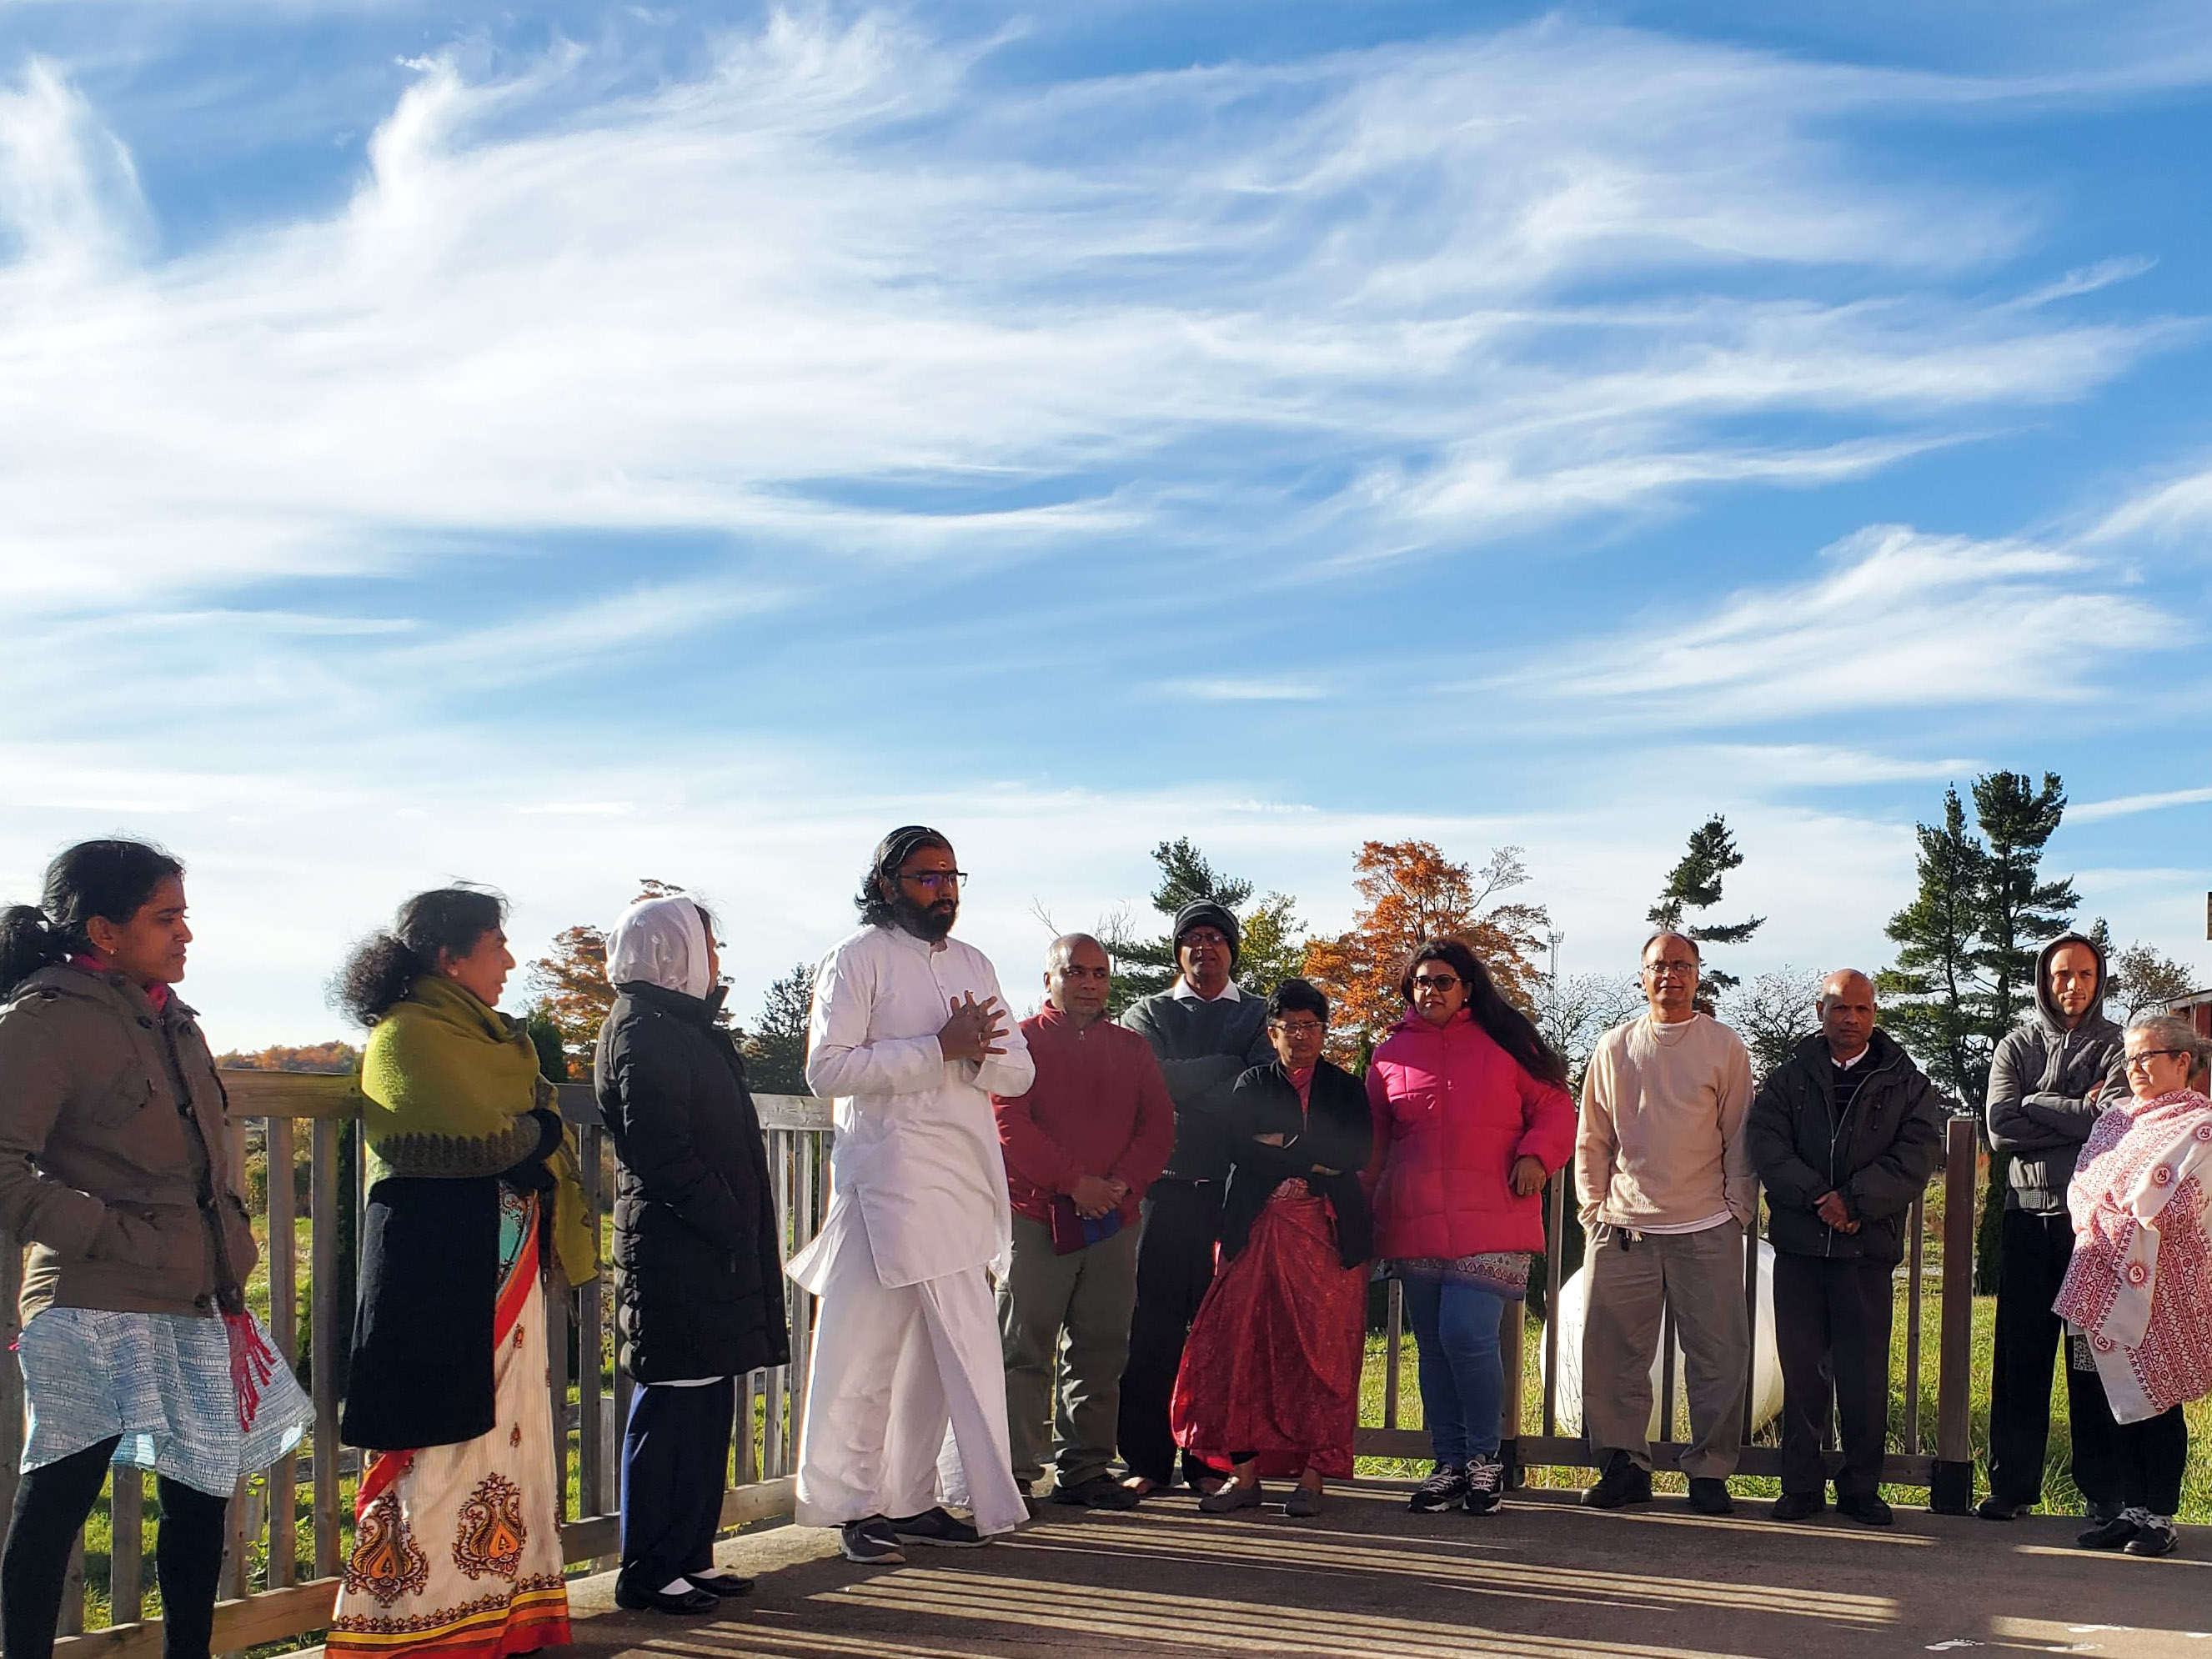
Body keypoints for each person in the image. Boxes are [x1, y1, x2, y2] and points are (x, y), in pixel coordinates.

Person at [0, 840, 313, 1659]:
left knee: (200, 1496)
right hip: (90, 1299)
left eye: (184, 914)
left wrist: (229, 1252)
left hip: (196, 1295)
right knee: (59, 1499)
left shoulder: (175, 1021)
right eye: (165, 916)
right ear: (103, 929)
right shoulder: (44, 1020)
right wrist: (106, 1231)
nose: (186, 934)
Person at [328, 888, 596, 1659]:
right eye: (496, 944)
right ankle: (411, 1629)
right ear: (451, 957)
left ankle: (499, 1615)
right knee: (438, 1448)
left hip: (501, 1267)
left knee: (508, 1442)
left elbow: (515, 1134)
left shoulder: (490, 1038)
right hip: (438, 1272)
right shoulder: (408, 1035)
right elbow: (471, 1144)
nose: (509, 960)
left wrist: (531, 1133)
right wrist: (540, 1129)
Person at [790, 828, 1036, 1565]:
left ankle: (916, 1497)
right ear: (889, 882)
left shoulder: (974, 962)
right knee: (862, 1356)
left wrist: (977, 1052)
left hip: (960, 1184)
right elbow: (826, 1071)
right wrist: (939, 1050)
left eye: (954, 876)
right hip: (885, 1187)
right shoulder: (855, 957)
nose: (946, 890)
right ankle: (853, 1509)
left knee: (943, 1356)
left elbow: (1018, 1073)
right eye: (928, 877)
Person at [594, 895, 790, 1614]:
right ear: (671, 949)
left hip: (705, 1251)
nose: (716, 958)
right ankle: (648, 1568)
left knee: (705, 1406)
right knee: (671, 1409)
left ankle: (689, 1555)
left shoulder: (677, 1025)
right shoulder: (641, 1030)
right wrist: (729, 1216)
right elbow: (660, 1152)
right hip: (676, 1250)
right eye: (707, 943)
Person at [1365, 939, 1574, 1516]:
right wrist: (1361, 1210)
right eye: (1421, 982)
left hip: (1495, 1215)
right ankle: (1449, 1463)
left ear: (1467, 988)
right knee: (1431, 1347)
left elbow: (1556, 1107)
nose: (1430, 991)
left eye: (1443, 981)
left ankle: (1485, 1460)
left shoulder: (1509, 1042)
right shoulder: (1387, 1055)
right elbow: (1375, 1143)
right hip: (1414, 1218)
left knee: (1467, 1335)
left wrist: (1536, 1155)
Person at [1745, 970, 1944, 1526]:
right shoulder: (1788, 1078)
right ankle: (1800, 1488)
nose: (1849, 1019)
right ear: (1820, 1011)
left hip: (1865, 1252)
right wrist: (1818, 1199)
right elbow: (1766, 1142)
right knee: (1801, 1375)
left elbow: (1916, 1155)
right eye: (1838, 1008)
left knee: (1862, 1377)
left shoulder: (1906, 1082)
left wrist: (1854, 1202)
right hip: (1800, 1251)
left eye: (1860, 1009)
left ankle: (1860, 1489)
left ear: (1873, 1015)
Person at [1170, 978, 1372, 1518]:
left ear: (1325, 1032)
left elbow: (1354, 1151)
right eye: (1289, 1028)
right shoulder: (1252, 1083)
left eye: (1311, 1027)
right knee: (1237, 1348)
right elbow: (1237, 1146)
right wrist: (1312, 1155)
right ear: (1272, 1032)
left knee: (1321, 1354)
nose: (1300, 1037)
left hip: (1326, 1236)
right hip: (1252, 1228)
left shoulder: (1345, 1088)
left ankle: (1313, 1477)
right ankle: (1243, 1475)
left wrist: (1282, 1145)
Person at [1574, 930, 1755, 1516]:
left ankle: (1708, 1472)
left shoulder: (1723, 1046)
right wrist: (1593, 1209)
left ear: (1698, 975)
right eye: (1658, 966)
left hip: (1705, 1223)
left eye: (1681, 966)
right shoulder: (1613, 1046)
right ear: (1641, 976)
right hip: (1623, 1225)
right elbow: (1592, 1136)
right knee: (1612, 1357)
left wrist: (1736, 1211)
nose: (1669, 976)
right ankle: (1624, 1466)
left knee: (1718, 1356)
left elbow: (1740, 1137)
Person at [992, 935, 1174, 1510]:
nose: (1089, 984)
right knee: (1023, 1348)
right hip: (1035, 1218)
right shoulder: (1018, 1043)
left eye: (1099, 973)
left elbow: (1158, 1127)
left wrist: (1117, 1186)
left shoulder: (1132, 1049)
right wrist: (1075, 1183)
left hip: (1112, 1223)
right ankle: (1013, 1475)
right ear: (1049, 978)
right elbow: (1007, 1121)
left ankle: (1085, 1470)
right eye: (1075, 972)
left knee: (1100, 1347)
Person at [1116, 900, 1273, 1497]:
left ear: (1233, 950)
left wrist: (1187, 1084)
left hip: (1232, 1194)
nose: (1204, 947)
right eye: (1192, 938)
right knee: (1150, 1331)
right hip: (1159, 1191)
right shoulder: (1147, 1011)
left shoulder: (1260, 1014)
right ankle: (1147, 1463)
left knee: (1220, 1336)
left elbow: (1260, 1096)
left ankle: (1210, 1464)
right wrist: (1225, 1068)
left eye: (1215, 938)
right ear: (1176, 949)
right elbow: (1146, 1083)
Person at [1980, 932, 2129, 1523]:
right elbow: (1998, 1128)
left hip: (2092, 1226)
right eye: (2061, 974)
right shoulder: (2015, 1043)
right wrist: (2074, 1109)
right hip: (2026, 1219)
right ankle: (2010, 1488)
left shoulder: (2116, 1045)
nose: (2072, 985)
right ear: (2043, 979)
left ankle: (2103, 1489)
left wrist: (2036, 1103)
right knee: (2020, 1358)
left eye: (2084, 974)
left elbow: (2111, 1124)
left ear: (2098, 980)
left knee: (2089, 1357)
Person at [2051, 1012, 2212, 1558]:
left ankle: (2160, 1519)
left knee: (2158, 1399)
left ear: (2180, 1061)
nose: (2135, 1067)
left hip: (2164, 1286)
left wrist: (2120, 1216)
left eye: (2146, 1056)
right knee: (2112, 1395)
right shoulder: (2115, 1120)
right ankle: (2128, 1510)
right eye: (2130, 1057)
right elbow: (2082, 1181)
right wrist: (2103, 1216)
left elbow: (2183, 1205)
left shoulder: (2200, 1127)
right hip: (2100, 1271)